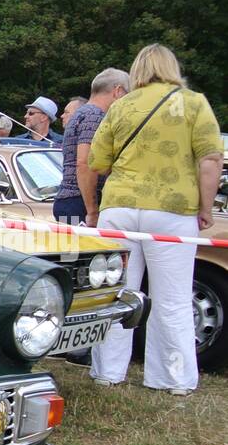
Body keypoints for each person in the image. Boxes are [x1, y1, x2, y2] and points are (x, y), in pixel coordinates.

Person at [88, 44, 222, 396]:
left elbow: (98, 162)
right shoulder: (193, 103)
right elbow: (210, 160)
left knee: (115, 293)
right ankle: (172, 378)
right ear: (172, 67)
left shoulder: (121, 106)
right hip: (173, 209)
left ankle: (107, 372)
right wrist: (205, 209)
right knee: (173, 298)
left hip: (120, 207)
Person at [54, 69, 129, 226]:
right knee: (81, 251)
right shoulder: (94, 116)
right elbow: (85, 164)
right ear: (118, 91)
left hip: (72, 201)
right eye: (128, 95)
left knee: (71, 251)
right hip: (79, 204)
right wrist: (92, 211)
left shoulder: (82, 113)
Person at [0, 96, 64, 145]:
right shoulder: (16, 141)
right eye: (26, 113)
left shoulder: (61, 142)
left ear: (44, 117)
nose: (25, 116)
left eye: (31, 113)